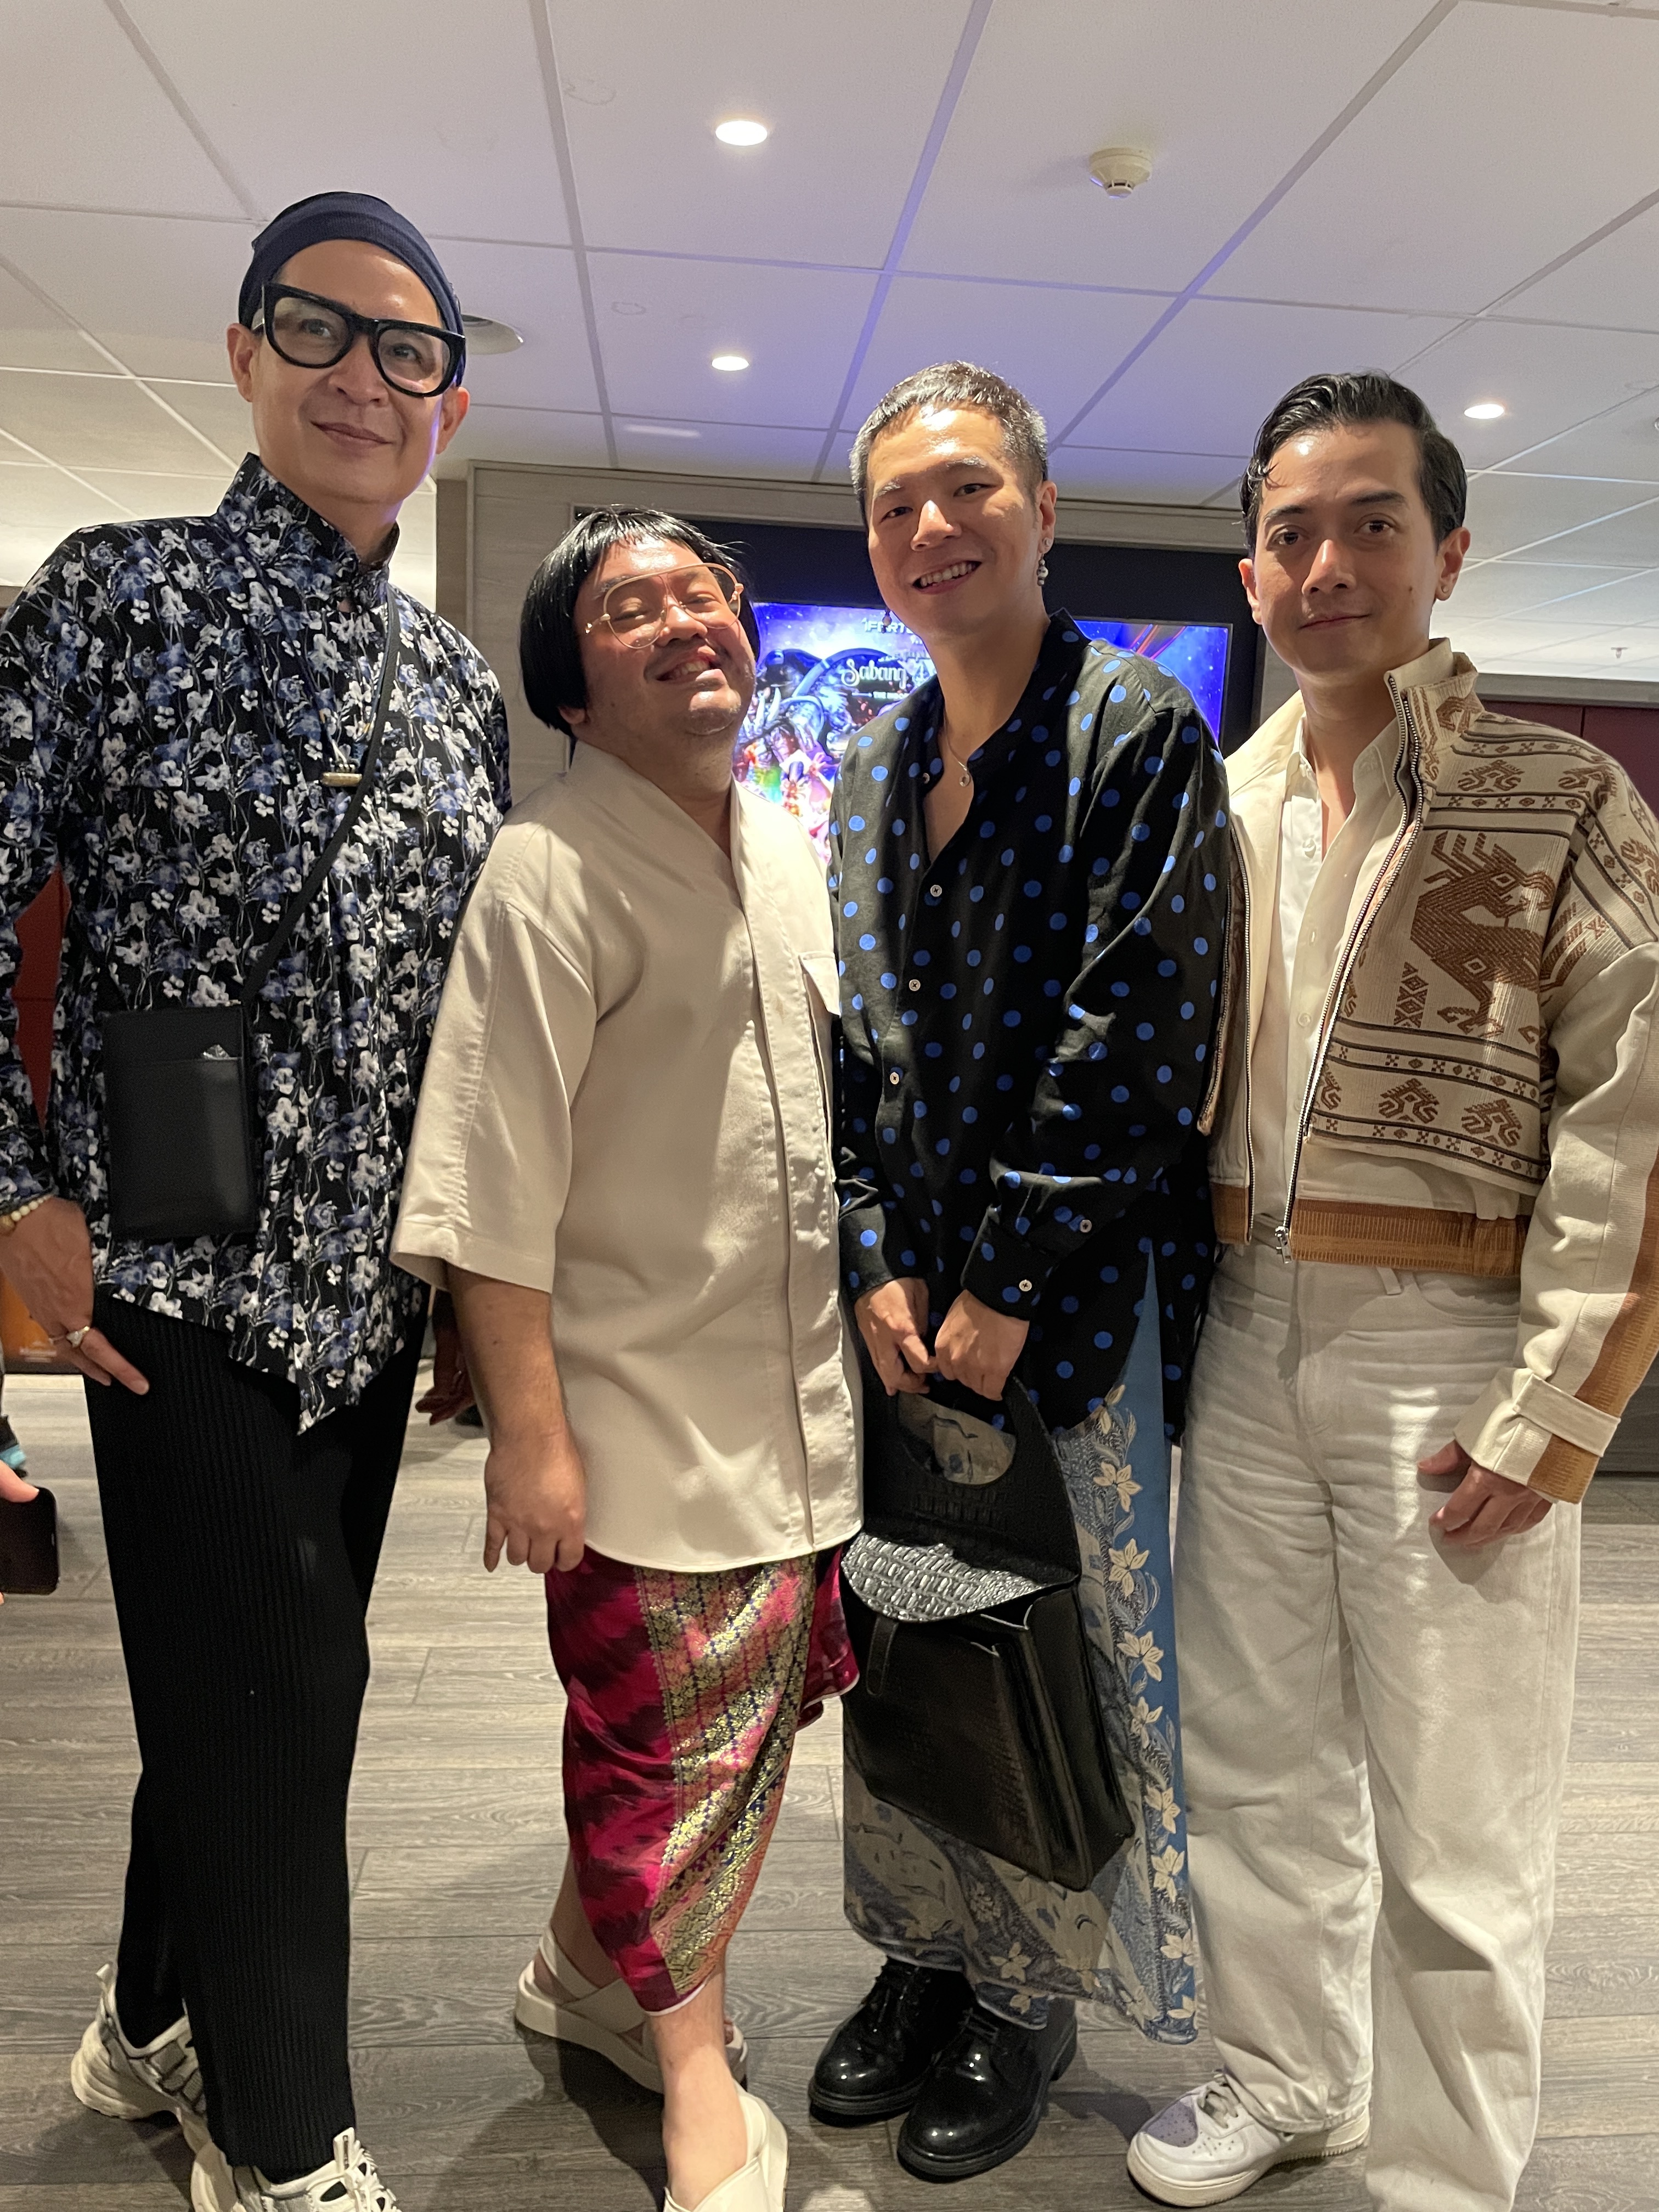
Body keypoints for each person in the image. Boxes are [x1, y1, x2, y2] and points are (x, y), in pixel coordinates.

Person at [0, 191, 508, 2212]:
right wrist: (16, 1186)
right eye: (318, 329)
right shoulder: (112, 599)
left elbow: (465, 1018)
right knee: (289, 1713)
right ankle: (291, 2147)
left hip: (367, 1301)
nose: (362, 377)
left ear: (447, 404)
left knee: (246, 1691)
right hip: (172, 1282)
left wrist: (466, 1282)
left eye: (407, 350)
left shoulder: (456, 691)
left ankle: (146, 2027)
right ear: (242, 353)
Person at [1126, 371, 1659, 2212]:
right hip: (1242, 1328)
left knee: (1461, 1801)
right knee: (1254, 1756)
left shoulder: (1563, 799)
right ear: (1251, 573)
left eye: (1373, 523)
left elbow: (1634, 1122)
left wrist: (1559, 1404)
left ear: (1448, 550)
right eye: (1292, 533)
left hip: (1453, 1341)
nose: (1329, 564)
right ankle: (1287, 2076)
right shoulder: (1220, 801)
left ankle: (1445, 2171)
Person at [392, 508, 861, 2212]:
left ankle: (581, 1975)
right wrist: (532, 1438)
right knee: (667, 1768)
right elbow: (490, 1178)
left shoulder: (788, 844)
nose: (683, 621)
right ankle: (695, 2078)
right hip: (635, 1415)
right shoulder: (547, 872)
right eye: (627, 607)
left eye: (700, 593)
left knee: (737, 1740)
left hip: (800, 1407)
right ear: (571, 689)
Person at [811, 362, 1230, 2182]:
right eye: (895, 503)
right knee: (911, 1631)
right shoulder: (871, 763)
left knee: (1057, 1653)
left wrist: (1001, 1280)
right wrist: (881, 1262)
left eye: (967, 488)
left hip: (1068, 1310)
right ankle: (922, 1950)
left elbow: (1135, 1035)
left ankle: (1028, 1992)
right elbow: (857, 1045)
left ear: (1044, 513)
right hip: (907, 1316)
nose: (930, 526)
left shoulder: (1135, 735)